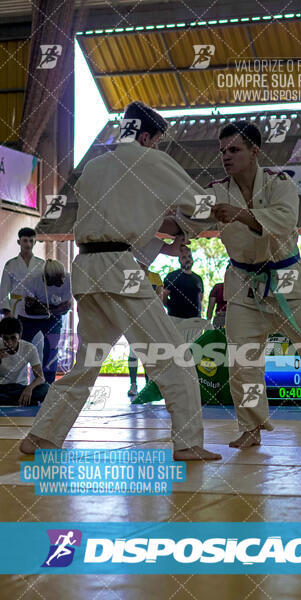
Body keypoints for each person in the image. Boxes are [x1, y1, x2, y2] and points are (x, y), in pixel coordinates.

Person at [20, 100, 221, 461]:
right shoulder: (150, 160)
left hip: (87, 268)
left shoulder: (95, 167)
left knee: (86, 364)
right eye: (156, 140)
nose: (157, 146)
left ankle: (41, 435)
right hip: (120, 270)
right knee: (174, 359)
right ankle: (188, 442)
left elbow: (123, 219)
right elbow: (201, 206)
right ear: (145, 136)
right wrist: (198, 223)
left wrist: (169, 236)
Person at [174, 120, 301, 447]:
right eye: (222, 150)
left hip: (287, 278)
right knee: (242, 359)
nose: (226, 156)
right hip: (242, 282)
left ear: (255, 151)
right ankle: (251, 428)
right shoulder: (215, 191)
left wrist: (238, 213)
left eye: (234, 149)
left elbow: (284, 222)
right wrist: (155, 220)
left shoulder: (279, 183)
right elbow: (185, 220)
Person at [21, 259, 72, 384]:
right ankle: (17, 382)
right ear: (46, 278)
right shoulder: (32, 280)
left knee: (51, 350)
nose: (61, 282)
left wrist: (42, 307)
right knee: (20, 348)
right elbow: (30, 311)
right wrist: (55, 309)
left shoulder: (68, 280)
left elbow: (65, 309)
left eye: (62, 278)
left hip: (53, 319)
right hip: (29, 319)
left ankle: (48, 384)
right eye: (56, 280)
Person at [127, 262, 163, 398]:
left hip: (151, 319)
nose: (143, 263)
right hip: (134, 319)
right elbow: (128, 299)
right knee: (133, 351)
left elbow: (159, 299)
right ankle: (133, 384)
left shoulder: (155, 277)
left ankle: (148, 384)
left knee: (150, 352)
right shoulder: (133, 276)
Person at [0, 317, 48, 405]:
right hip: (2, 387)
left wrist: (29, 388)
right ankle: (20, 401)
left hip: (20, 387)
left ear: (20, 336)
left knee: (45, 389)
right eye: (6, 339)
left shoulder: (29, 348)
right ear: (1, 337)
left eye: (13, 338)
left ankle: (10, 400)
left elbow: (41, 378)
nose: (9, 342)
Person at [0, 227, 44, 318]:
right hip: (15, 307)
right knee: (16, 331)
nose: (28, 244)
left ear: (35, 242)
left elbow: (45, 289)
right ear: (19, 242)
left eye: (31, 241)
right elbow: (4, 289)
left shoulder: (41, 264)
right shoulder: (10, 264)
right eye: (25, 241)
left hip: (35, 308)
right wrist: (6, 310)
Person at [162, 249, 204, 319]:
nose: (188, 259)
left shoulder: (198, 278)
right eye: (184, 257)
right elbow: (163, 297)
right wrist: (172, 308)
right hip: (176, 320)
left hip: (195, 320)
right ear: (179, 260)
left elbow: (200, 298)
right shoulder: (172, 276)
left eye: (189, 256)